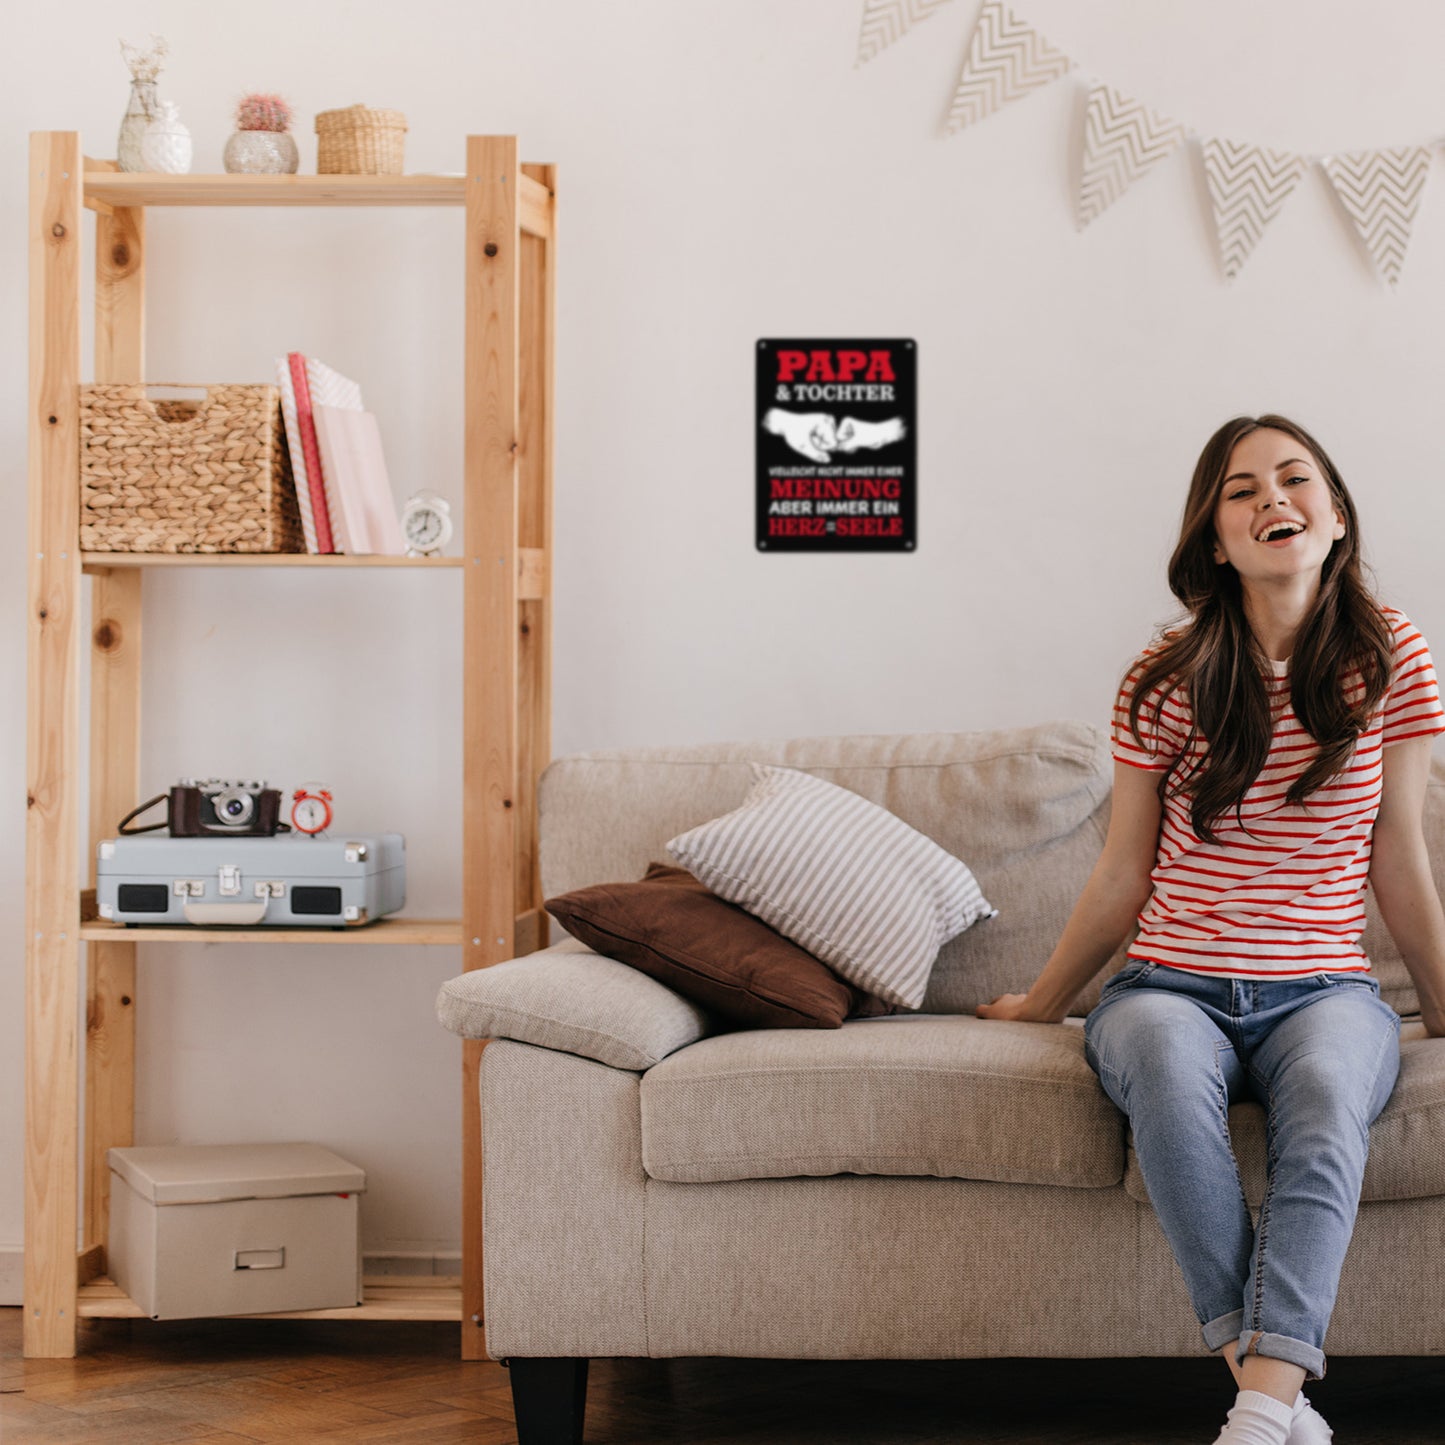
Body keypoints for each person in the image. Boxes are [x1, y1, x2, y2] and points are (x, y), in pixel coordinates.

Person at [976, 415, 1445, 1445]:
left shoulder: (1390, 653)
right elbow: (1122, 871)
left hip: (1323, 990)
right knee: (1157, 1070)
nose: (1271, 498)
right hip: (1165, 984)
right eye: (1241, 489)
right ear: (1214, 537)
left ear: (1332, 518)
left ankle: (1258, 1408)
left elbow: (1396, 853)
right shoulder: (1164, 670)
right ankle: (1273, 1397)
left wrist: (1444, 1009)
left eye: (1293, 478)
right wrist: (1042, 1003)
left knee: (1326, 1097)